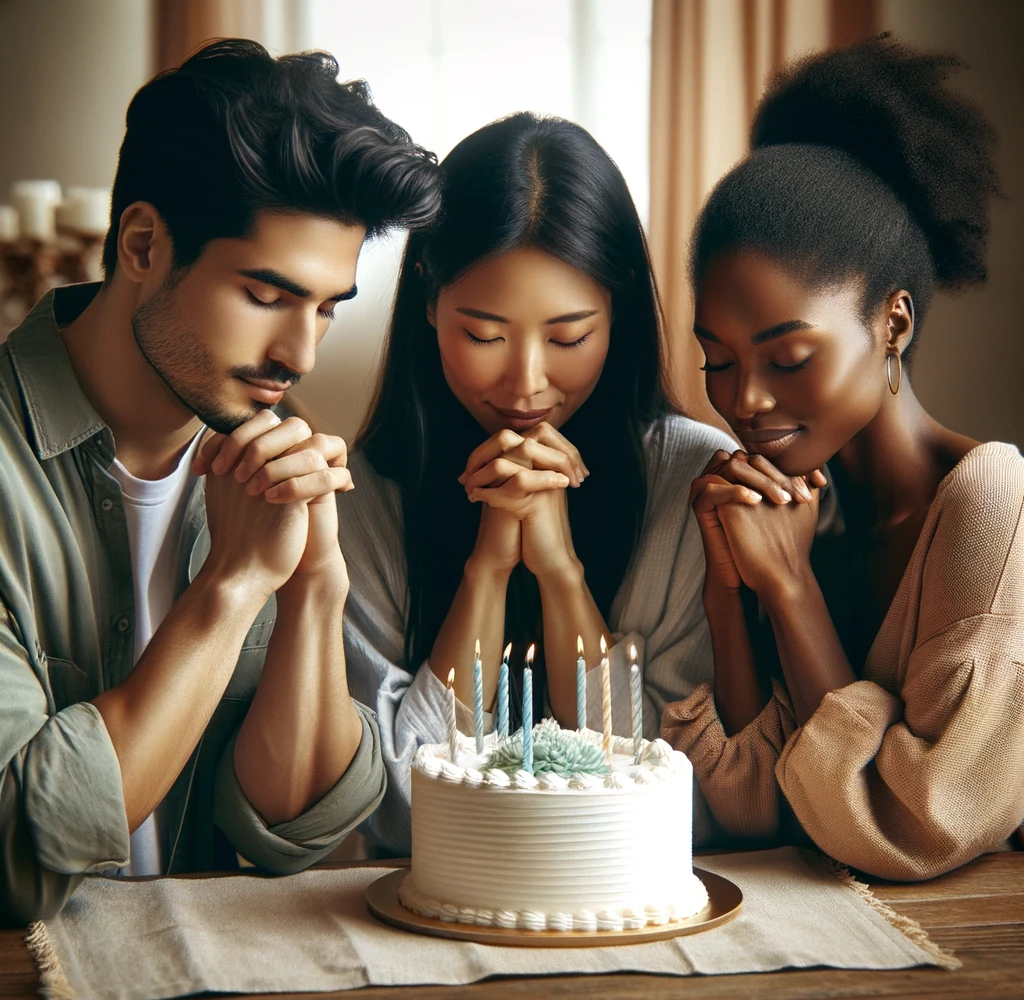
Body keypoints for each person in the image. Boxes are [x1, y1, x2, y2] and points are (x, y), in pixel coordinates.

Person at [0, 39, 441, 924]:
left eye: (325, 307)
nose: (300, 354)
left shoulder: (265, 461)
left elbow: (291, 828)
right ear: (142, 243)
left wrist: (314, 582)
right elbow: (16, 857)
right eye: (268, 295)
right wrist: (232, 587)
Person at [662, 35, 1024, 881]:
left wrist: (790, 592)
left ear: (892, 323)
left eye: (788, 359)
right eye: (717, 360)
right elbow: (759, 809)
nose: (744, 402)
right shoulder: (799, 505)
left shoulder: (991, 506)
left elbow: (915, 826)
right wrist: (730, 585)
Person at [338, 111, 734, 854]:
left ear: (618, 311)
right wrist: (488, 567)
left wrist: (559, 571)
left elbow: (656, 798)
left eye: (569, 337)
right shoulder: (366, 492)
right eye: (484, 335)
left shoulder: (695, 481)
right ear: (428, 302)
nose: (526, 384)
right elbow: (394, 811)